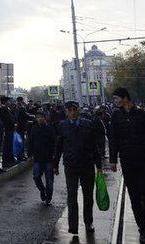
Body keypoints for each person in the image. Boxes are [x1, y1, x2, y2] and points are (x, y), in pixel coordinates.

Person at [109, 87, 145, 244]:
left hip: (144, 159)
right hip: (127, 161)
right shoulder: (115, 116)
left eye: (116, 98)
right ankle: (142, 228)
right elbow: (113, 139)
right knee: (133, 196)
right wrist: (113, 159)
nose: (115, 101)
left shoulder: (142, 115)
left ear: (125, 98)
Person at [54, 100, 101, 236]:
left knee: (88, 196)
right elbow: (58, 147)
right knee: (72, 195)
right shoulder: (62, 126)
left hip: (87, 165)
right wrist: (55, 164)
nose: (73, 112)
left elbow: (94, 146)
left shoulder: (87, 124)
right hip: (71, 166)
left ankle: (88, 222)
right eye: (70, 110)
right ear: (66, 112)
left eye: (75, 110)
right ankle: (73, 226)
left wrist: (98, 166)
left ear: (78, 111)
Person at [27, 110, 56, 205]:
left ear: (45, 118)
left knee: (49, 180)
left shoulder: (50, 129)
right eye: (38, 117)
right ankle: (42, 190)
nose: (40, 119)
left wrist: (54, 155)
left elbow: (55, 143)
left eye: (41, 117)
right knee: (36, 177)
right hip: (38, 158)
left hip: (48, 158)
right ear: (36, 118)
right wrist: (29, 154)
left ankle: (48, 198)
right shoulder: (34, 129)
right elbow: (30, 142)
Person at [0, 96, 16, 168]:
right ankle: (6, 161)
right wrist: (13, 124)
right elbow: (7, 120)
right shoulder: (3, 109)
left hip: (10, 129)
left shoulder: (6, 109)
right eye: (8, 101)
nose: (9, 102)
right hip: (7, 129)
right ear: (4, 102)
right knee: (7, 146)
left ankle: (10, 160)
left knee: (9, 145)